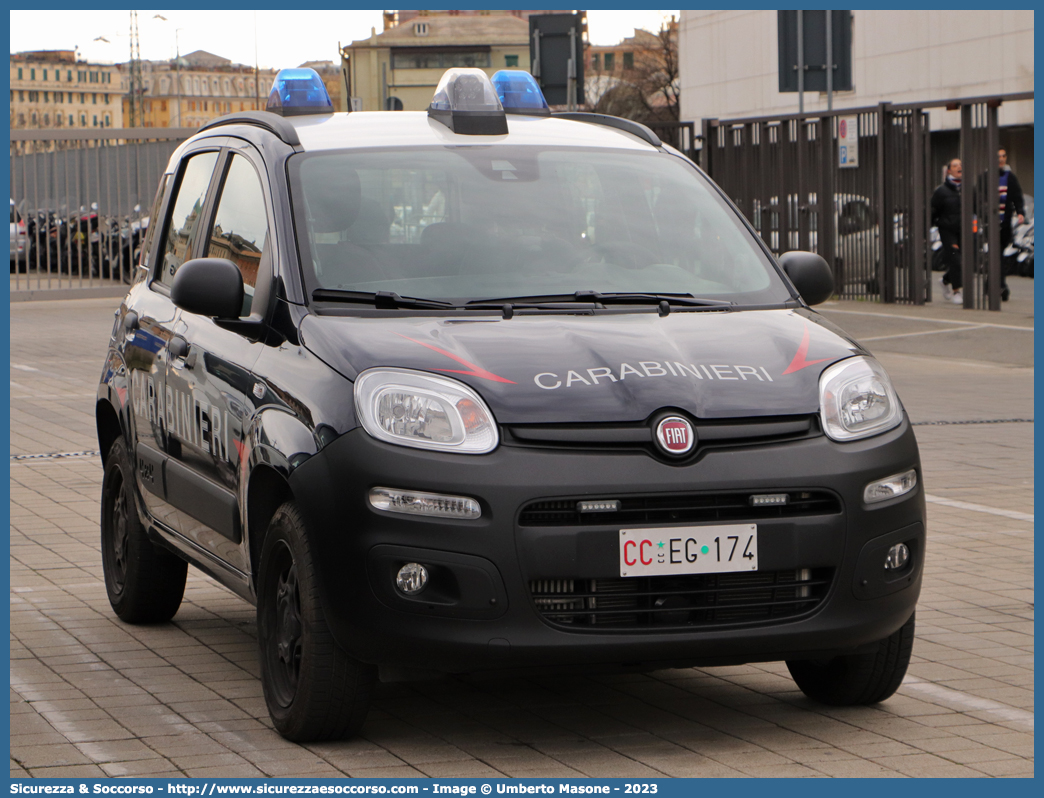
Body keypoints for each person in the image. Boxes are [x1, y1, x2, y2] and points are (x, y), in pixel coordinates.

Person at [931, 158, 964, 304]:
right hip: (947, 230)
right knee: (955, 260)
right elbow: (933, 210)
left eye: (961, 165)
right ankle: (956, 291)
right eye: (955, 165)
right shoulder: (941, 191)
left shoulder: (967, 188)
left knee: (965, 261)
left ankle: (945, 281)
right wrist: (934, 224)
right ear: (949, 171)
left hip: (964, 229)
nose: (959, 167)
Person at [998, 148, 1026, 301]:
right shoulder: (986, 177)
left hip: (1005, 223)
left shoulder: (1010, 177)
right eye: (998, 156)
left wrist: (1020, 212)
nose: (1001, 159)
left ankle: (998, 285)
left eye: (1003, 156)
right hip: (990, 223)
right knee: (996, 255)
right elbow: (978, 197)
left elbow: (1017, 196)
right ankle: (998, 284)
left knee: (999, 254)